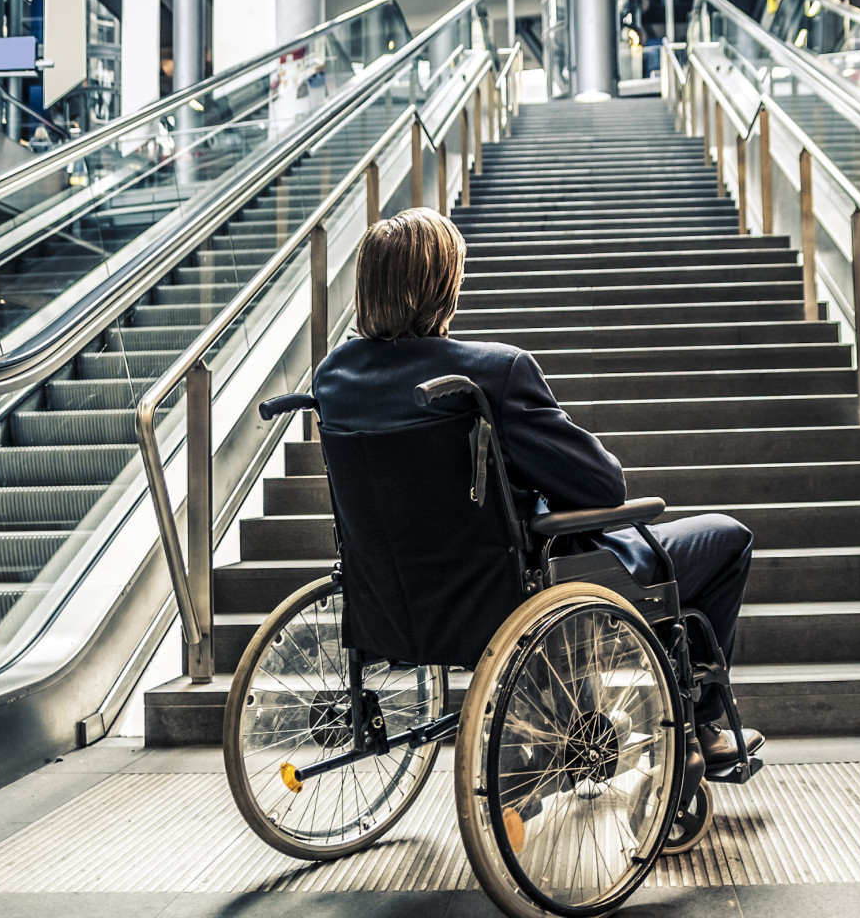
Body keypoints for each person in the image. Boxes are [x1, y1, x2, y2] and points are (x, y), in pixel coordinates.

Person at [311, 206, 764, 765]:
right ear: (442, 290)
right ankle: (698, 729)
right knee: (728, 538)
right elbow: (602, 487)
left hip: (395, 595)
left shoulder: (333, 379)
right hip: (513, 590)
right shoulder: (490, 373)